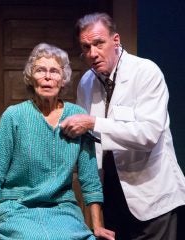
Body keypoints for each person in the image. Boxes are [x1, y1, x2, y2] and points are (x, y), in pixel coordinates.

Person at [0, 43, 115, 240]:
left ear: (63, 79)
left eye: (54, 71)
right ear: (30, 77)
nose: (47, 77)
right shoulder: (13, 116)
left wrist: (98, 226)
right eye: (40, 70)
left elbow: (90, 180)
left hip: (62, 210)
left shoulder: (77, 117)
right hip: (15, 207)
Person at [59, 12, 185, 240]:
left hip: (152, 195)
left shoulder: (145, 72)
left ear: (115, 40)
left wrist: (93, 122)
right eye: (86, 47)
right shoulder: (86, 82)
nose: (93, 53)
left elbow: (148, 134)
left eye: (99, 44)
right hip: (112, 194)